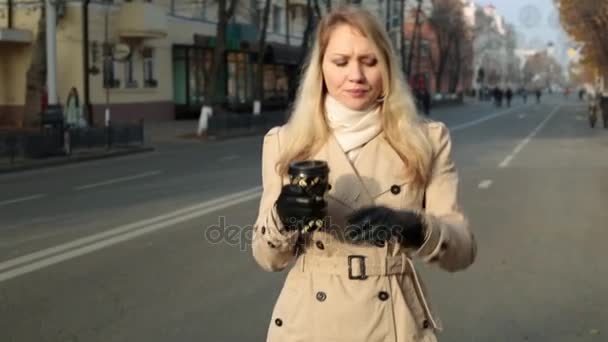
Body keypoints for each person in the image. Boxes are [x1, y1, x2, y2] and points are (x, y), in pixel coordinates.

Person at [252, 6, 476, 342]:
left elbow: (463, 251)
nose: (355, 75)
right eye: (341, 62)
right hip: (309, 323)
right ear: (321, 68)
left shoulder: (426, 139)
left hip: (394, 322)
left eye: (369, 61)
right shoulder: (286, 142)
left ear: (386, 66)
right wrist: (282, 217)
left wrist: (415, 227)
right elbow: (267, 257)